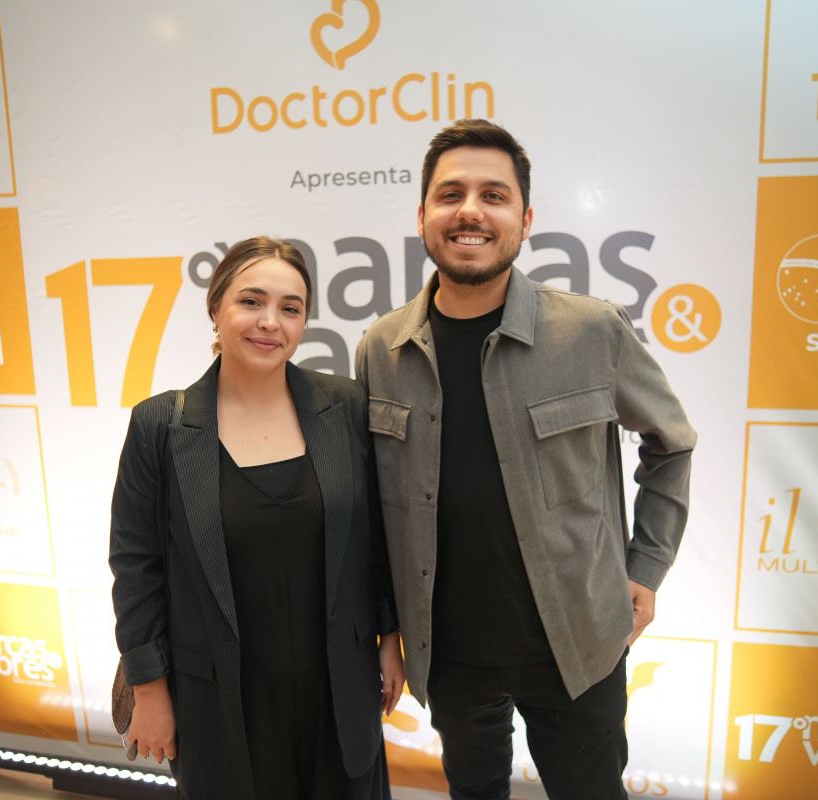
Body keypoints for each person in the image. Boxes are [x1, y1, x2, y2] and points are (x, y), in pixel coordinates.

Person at [355, 120, 696, 800]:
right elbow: (370, 507)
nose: (470, 211)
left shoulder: (592, 330)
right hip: (447, 657)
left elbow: (672, 443)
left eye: (494, 195)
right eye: (450, 194)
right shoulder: (380, 349)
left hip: (579, 644)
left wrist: (646, 567)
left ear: (525, 219)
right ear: (422, 217)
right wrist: (388, 628)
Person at [110, 236, 404, 799]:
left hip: (340, 690)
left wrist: (390, 636)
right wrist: (149, 690)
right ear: (215, 309)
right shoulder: (159, 426)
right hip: (218, 698)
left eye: (290, 308)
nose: (271, 322)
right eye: (251, 301)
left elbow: (375, 539)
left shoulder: (344, 406)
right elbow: (136, 566)